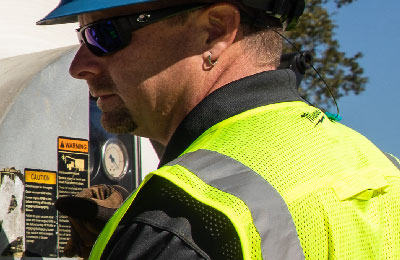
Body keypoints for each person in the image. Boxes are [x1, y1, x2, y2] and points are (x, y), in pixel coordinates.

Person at [39, 0, 400, 259]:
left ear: (215, 31)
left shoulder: (186, 217)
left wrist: (150, 241)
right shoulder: (384, 169)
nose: (78, 65)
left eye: (102, 34)